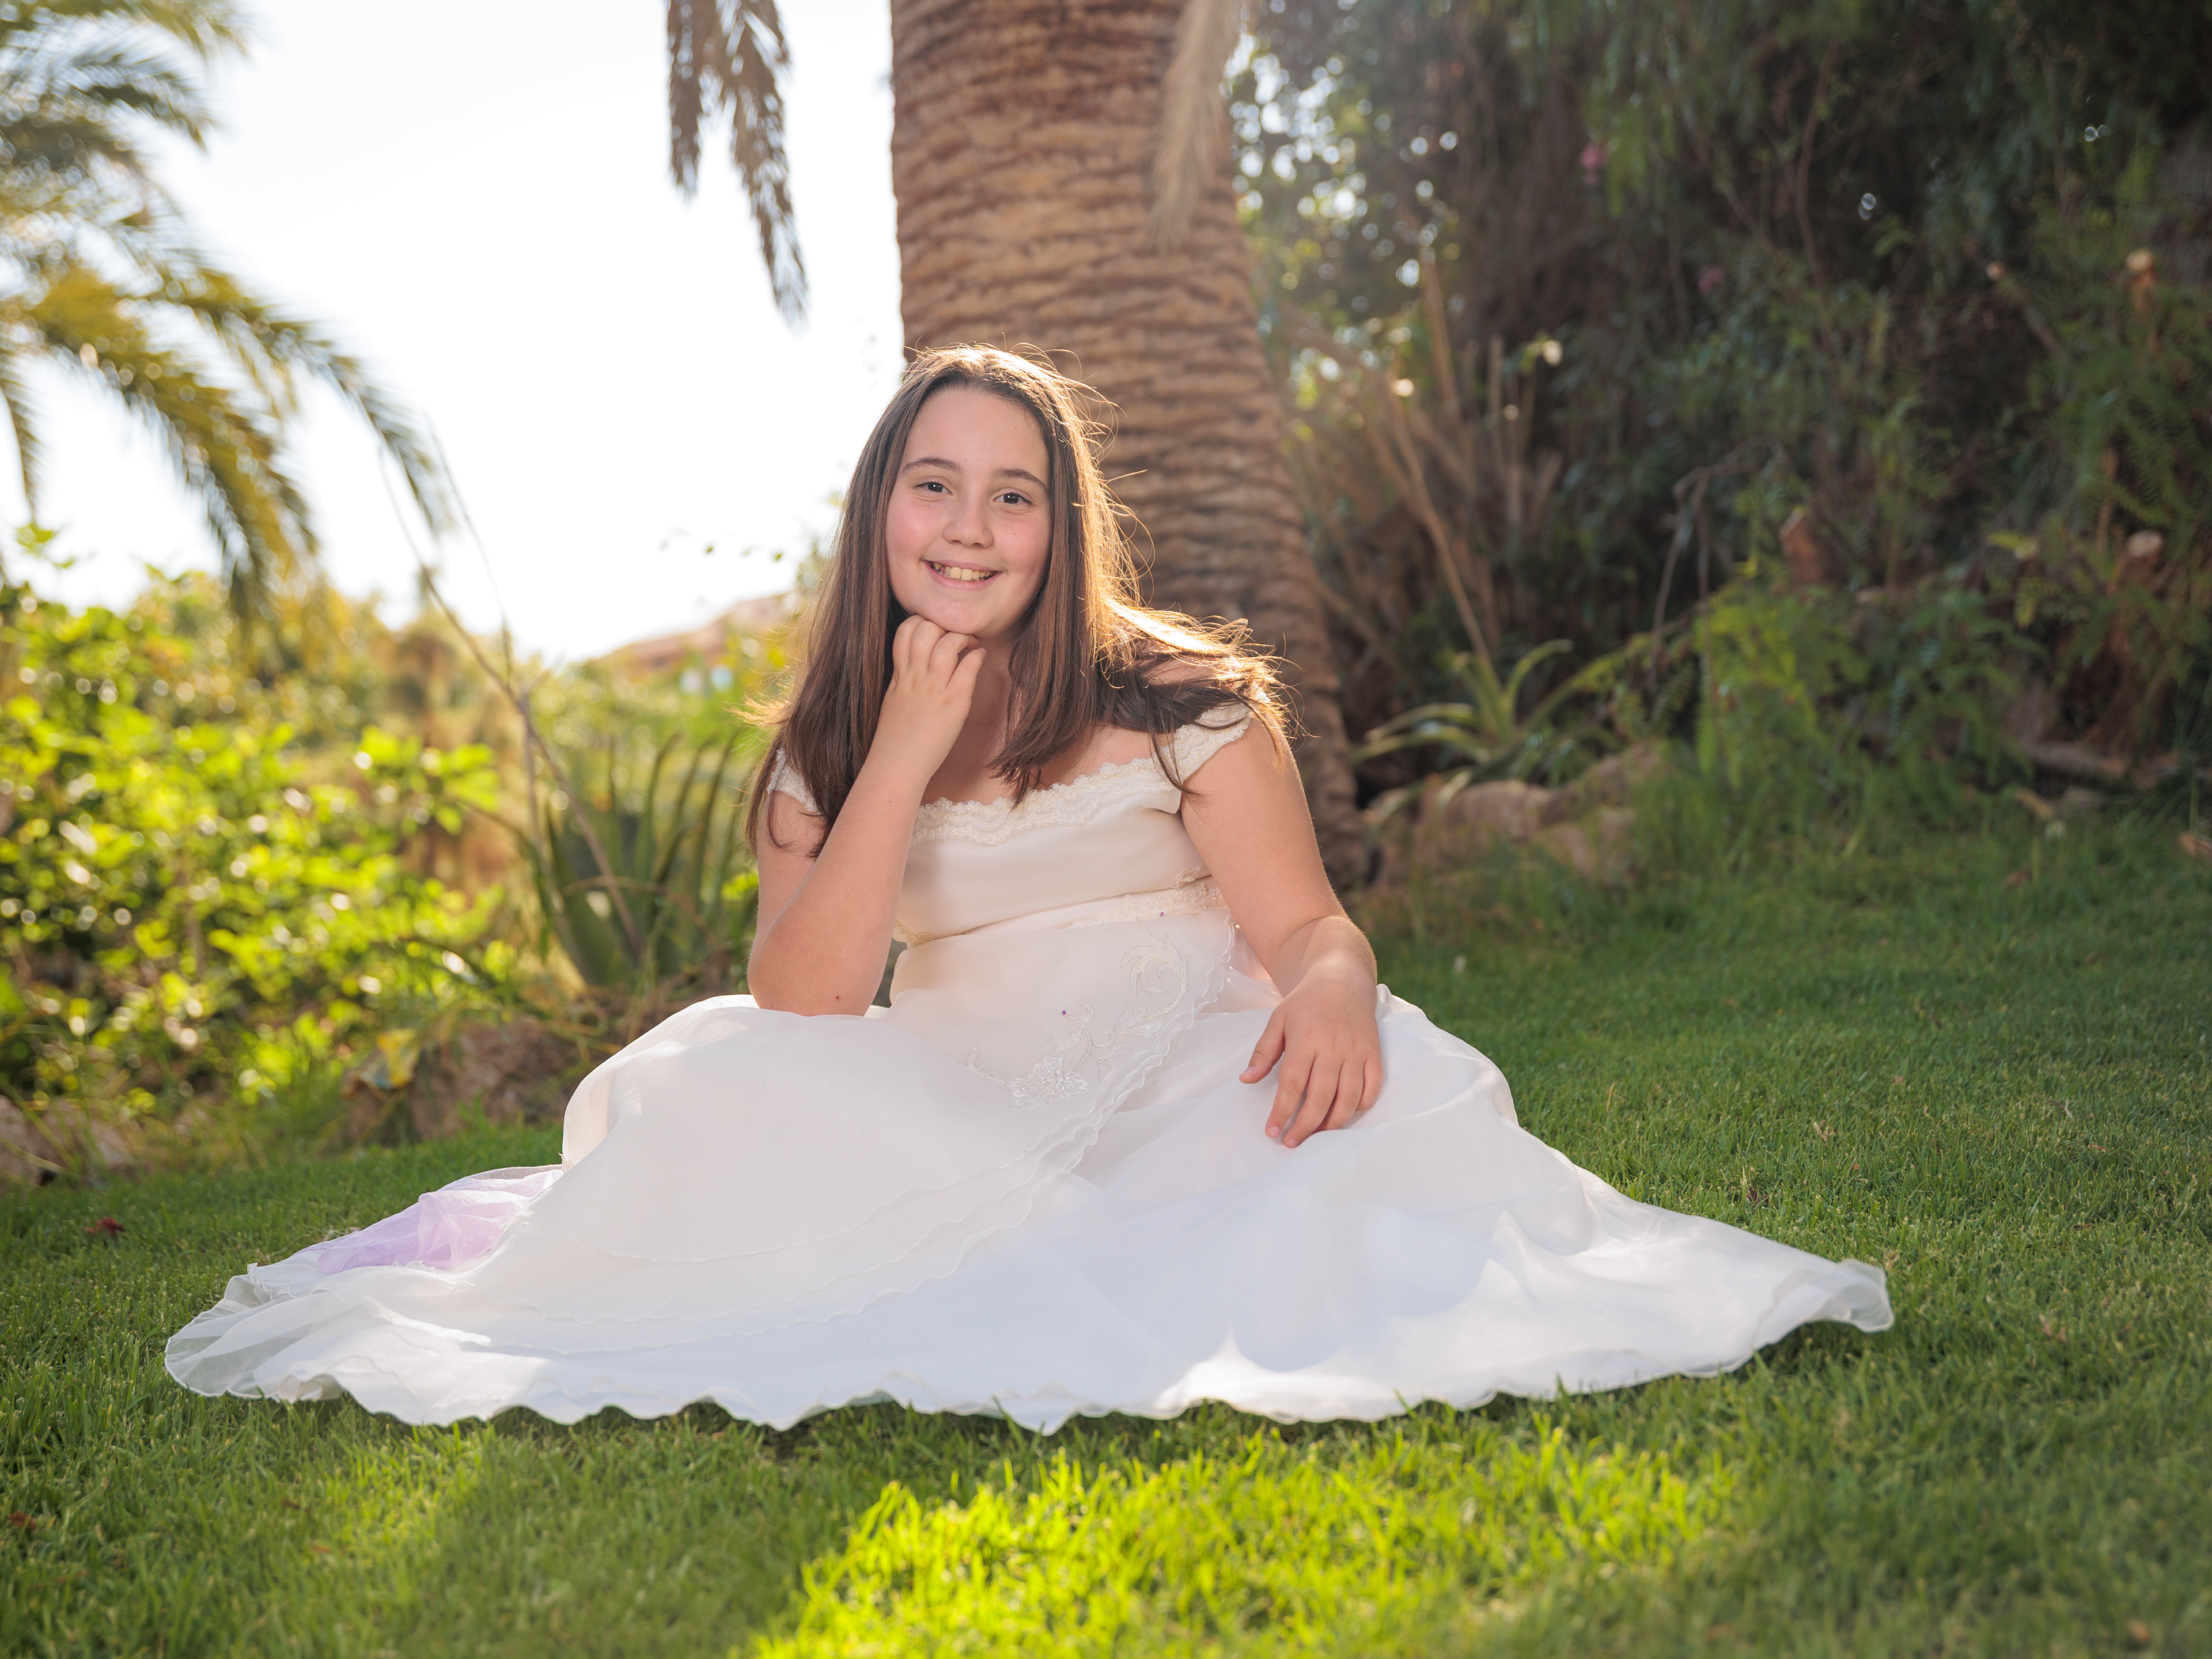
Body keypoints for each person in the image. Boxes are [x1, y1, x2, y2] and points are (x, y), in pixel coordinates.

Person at [167, 347, 1890, 1430]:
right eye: (935, 487)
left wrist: (1334, 984)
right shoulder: (821, 758)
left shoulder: (1181, 702)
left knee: (1337, 1195)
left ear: (1061, 530)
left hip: (1187, 1067)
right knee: (720, 1083)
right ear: (882, 512)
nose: (970, 529)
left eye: (1014, 497)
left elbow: (1305, 923)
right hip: (954, 1098)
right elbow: (810, 997)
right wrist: (906, 745)